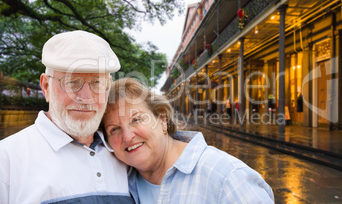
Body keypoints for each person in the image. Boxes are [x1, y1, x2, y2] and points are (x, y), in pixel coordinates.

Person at [0, 30, 133, 203]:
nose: (85, 97)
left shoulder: (125, 154)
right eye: (72, 82)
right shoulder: (7, 159)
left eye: (97, 83)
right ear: (46, 86)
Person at [101, 78, 275, 203]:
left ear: (162, 119)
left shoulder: (227, 178)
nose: (127, 136)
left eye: (136, 119)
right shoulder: (120, 183)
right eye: (114, 129)